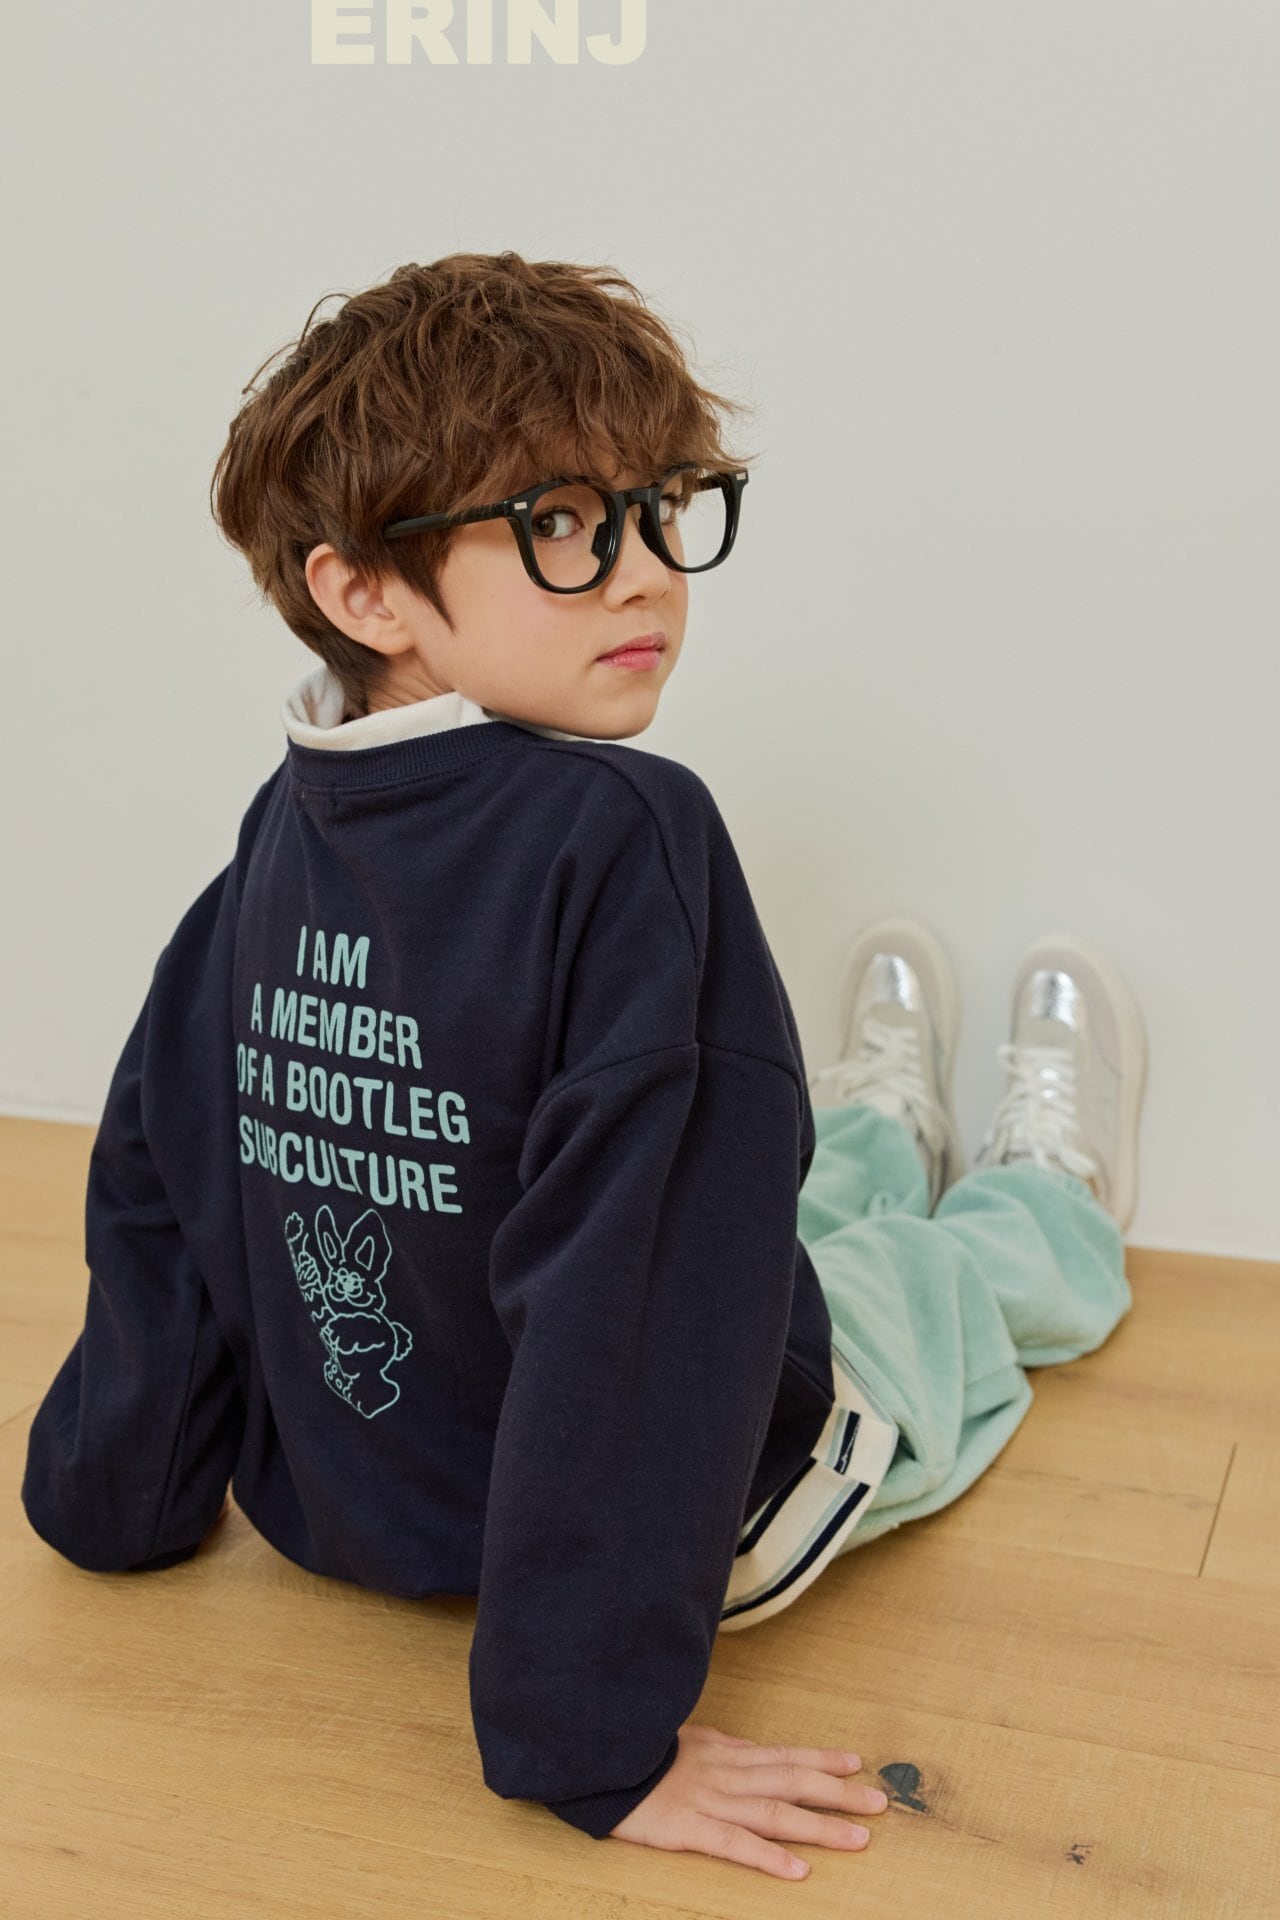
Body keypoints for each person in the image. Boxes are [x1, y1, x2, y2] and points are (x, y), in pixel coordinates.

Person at [19, 251, 1146, 1886]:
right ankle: (1046, 1194)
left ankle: (872, 1127)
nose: (646, 578)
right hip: (687, 1526)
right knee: (923, 1291)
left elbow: (164, 1164)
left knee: (712, 1153)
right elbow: (644, 1310)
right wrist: (587, 1734)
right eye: (562, 524)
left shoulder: (289, 824)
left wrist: (114, 1489)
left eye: (660, 509)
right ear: (366, 593)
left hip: (361, 1513)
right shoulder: (629, 833)